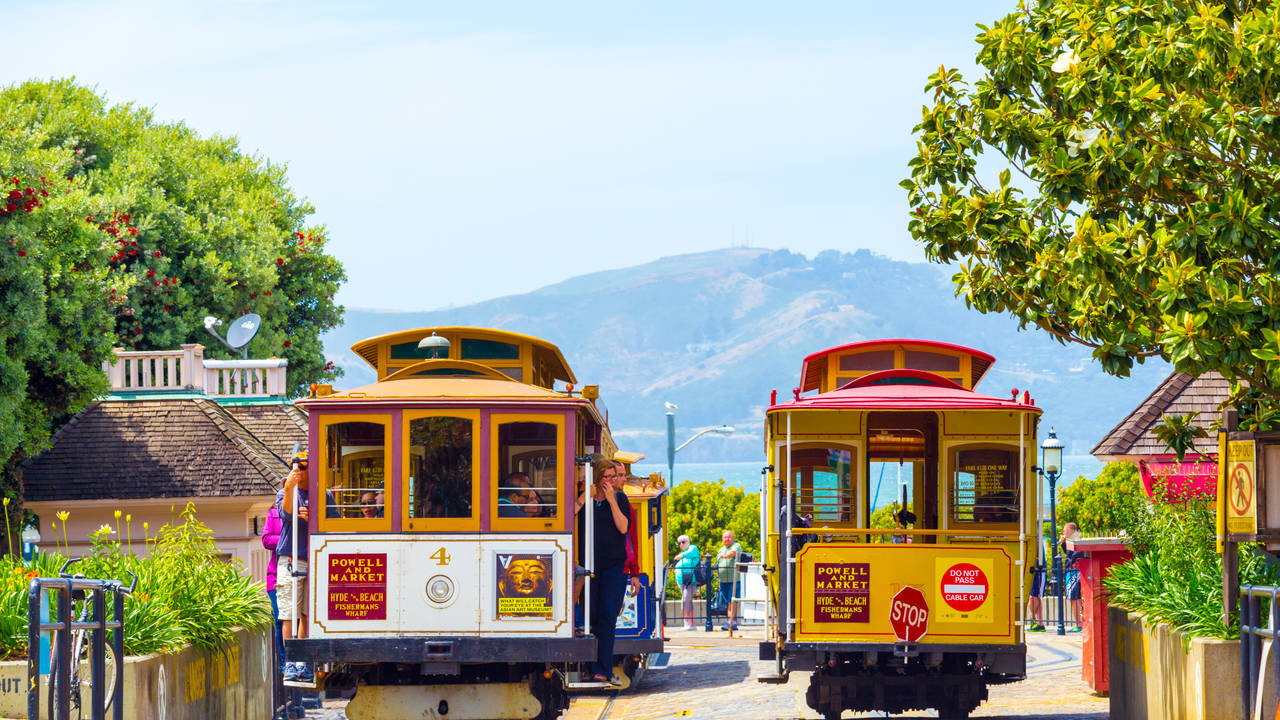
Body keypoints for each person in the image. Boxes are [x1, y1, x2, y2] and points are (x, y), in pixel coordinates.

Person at [278, 451, 337, 683]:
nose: (299, 471)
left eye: (303, 467)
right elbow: (286, 514)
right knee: (289, 613)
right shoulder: (285, 492)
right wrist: (291, 487)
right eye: (295, 467)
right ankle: (291, 663)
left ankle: (305, 662)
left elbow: (334, 524)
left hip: (315, 559)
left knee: (307, 615)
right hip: (291, 558)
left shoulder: (324, 496)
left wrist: (313, 519)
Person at [588, 456, 631, 684]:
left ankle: (602, 669)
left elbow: (623, 528)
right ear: (597, 478)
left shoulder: (621, 499)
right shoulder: (588, 499)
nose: (611, 481)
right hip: (590, 567)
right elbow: (571, 515)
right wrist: (586, 494)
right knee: (591, 616)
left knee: (607, 616)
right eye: (607, 477)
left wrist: (612, 500)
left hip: (614, 567)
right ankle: (590, 665)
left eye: (613, 477)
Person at [262, 494, 285, 674]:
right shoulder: (274, 514)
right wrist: (287, 540)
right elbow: (266, 539)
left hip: (296, 571)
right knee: (279, 618)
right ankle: (285, 661)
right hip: (275, 576)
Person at [1060, 522, 1085, 632]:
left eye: (1065, 530)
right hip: (1071, 571)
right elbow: (1068, 553)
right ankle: (1079, 623)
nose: (1063, 533)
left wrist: (1074, 561)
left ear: (1071, 530)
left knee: (1074, 598)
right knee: (1075, 598)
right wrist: (1062, 544)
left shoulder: (1076, 539)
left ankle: (1078, 624)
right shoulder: (1072, 540)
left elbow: (1078, 552)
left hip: (1073, 572)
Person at [672, 535, 701, 630]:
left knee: (685, 601)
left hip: (690, 581)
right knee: (689, 602)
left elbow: (691, 553)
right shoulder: (684, 553)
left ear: (688, 542)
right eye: (679, 543)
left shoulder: (692, 549)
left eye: (683, 542)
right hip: (683, 582)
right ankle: (692, 624)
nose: (681, 544)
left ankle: (686, 622)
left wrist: (681, 555)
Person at [716, 530, 742, 631]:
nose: (727, 539)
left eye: (729, 537)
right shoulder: (721, 549)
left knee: (733, 601)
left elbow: (732, 553)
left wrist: (726, 556)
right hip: (723, 580)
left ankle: (733, 622)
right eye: (725, 537)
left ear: (733, 538)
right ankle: (729, 621)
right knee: (728, 602)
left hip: (733, 580)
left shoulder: (736, 545)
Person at [1027, 561, 1047, 632]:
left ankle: (1033, 619)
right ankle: (1039, 623)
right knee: (1035, 596)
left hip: (1039, 570)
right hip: (1031, 569)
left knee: (1035, 596)